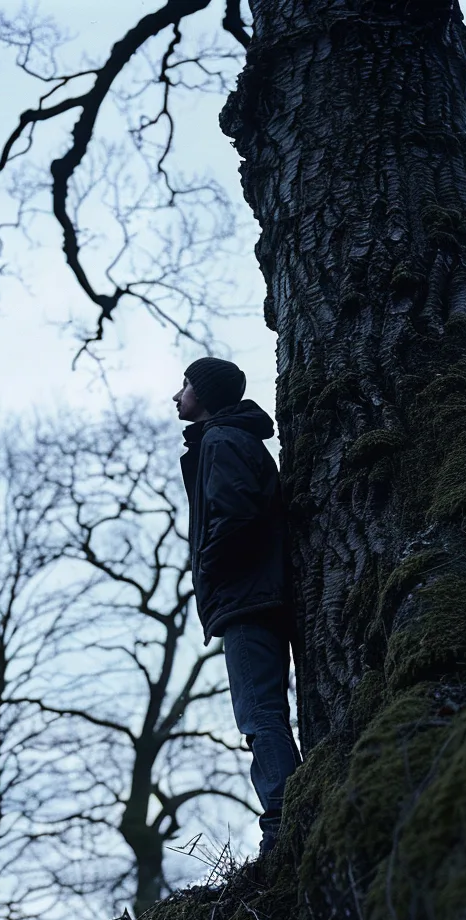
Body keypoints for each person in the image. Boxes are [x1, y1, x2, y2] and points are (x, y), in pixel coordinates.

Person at [173, 356, 302, 856]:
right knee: (265, 712)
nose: (176, 394)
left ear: (203, 393)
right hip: (258, 593)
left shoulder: (221, 441)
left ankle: (283, 825)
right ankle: (288, 814)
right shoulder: (227, 440)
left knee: (259, 715)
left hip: (249, 599)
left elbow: (236, 515)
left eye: (184, 384)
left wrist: (208, 569)